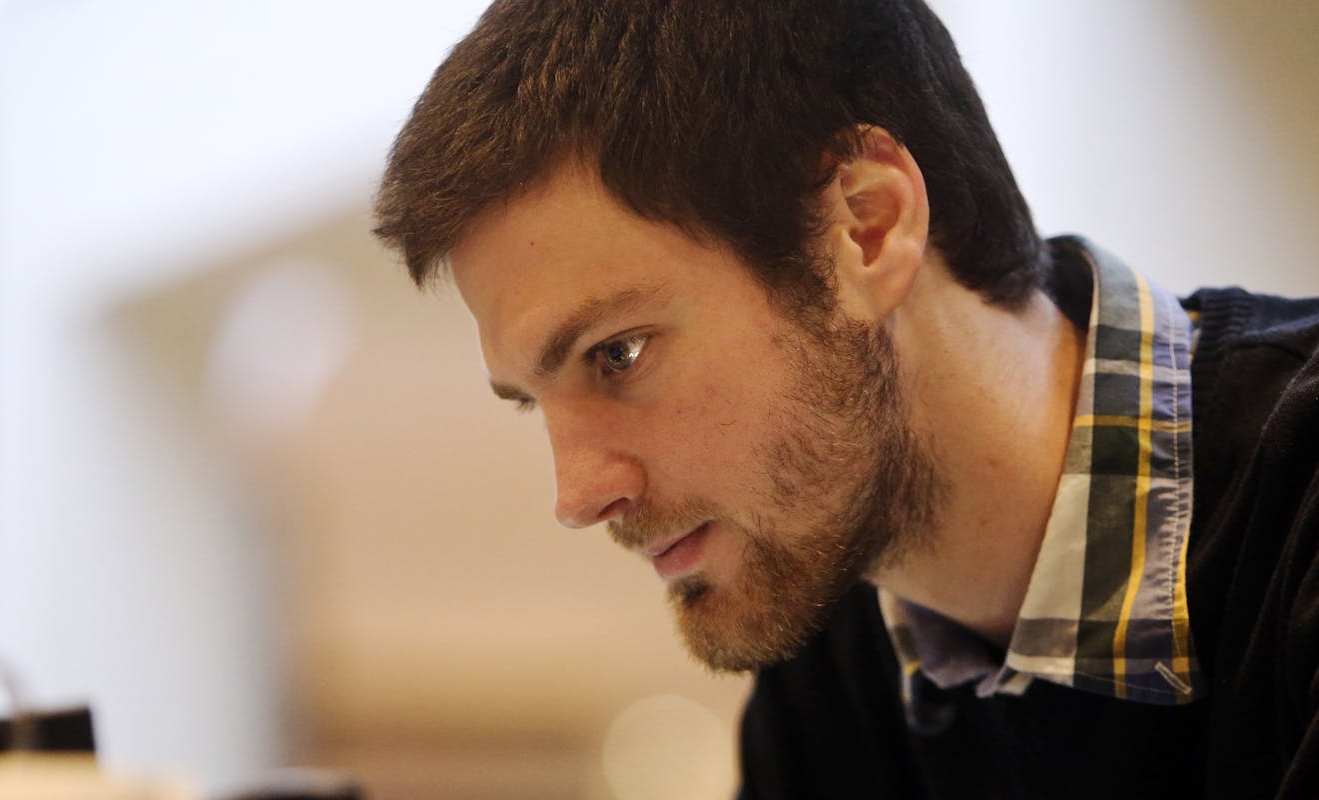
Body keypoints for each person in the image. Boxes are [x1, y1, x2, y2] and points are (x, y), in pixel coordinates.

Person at [372, 1, 1319, 796]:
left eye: (616, 353)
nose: (578, 496)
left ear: (867, 228)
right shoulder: (831, 656)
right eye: (534, 401)